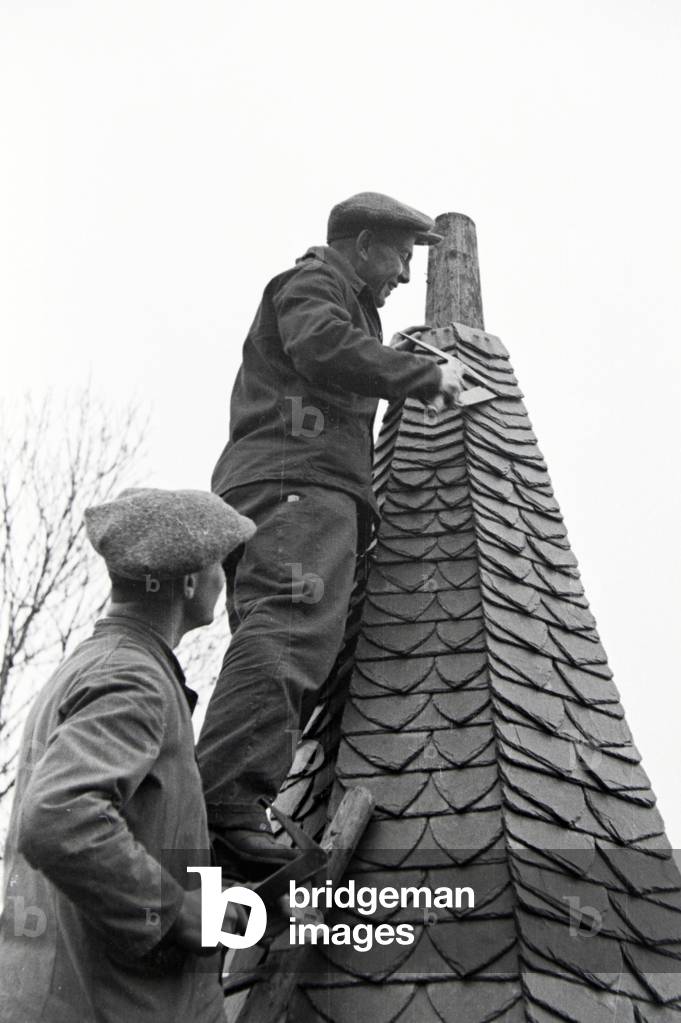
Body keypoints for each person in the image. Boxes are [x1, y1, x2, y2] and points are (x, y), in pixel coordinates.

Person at [197, 192, 465, 879]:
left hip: (297, 484)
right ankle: (222, 810)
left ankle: (233, 809)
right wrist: (428, 378)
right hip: (296, 480)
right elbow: (321, 347)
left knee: (293, 641)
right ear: (366, 241)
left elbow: (337, 352)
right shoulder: (313, 281)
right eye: (402, 254)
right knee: (289, 629)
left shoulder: (347, 301)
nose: (406, 275)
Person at [0, 487, 256, 1023]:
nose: (222, 579)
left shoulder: (92, 666)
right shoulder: (133, 677)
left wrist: (207, 896)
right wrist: (174, 911)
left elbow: (121, 834)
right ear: (188, 582)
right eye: (219, 564)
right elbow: (56, 819)